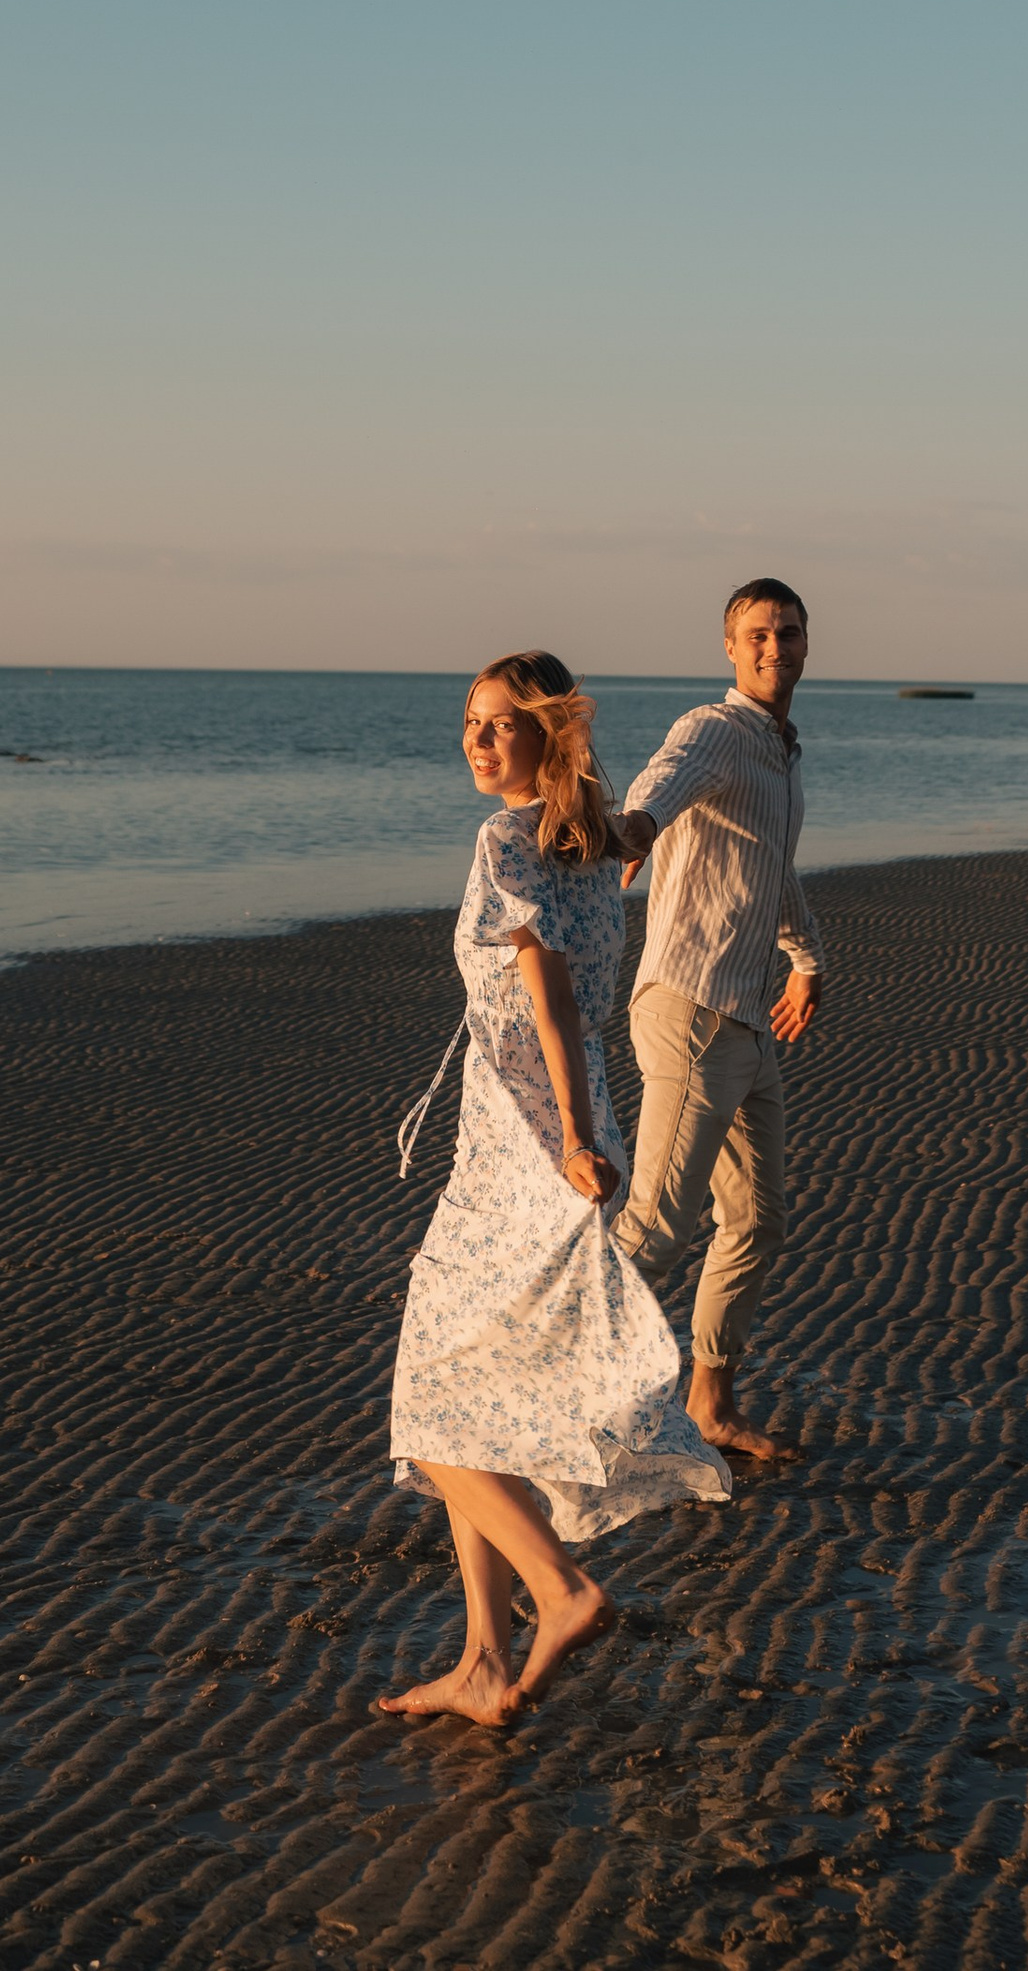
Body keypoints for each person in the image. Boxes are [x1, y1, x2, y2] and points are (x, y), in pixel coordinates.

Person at [382, 653, 728, 1727]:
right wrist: (585, 1133)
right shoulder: (596, 846)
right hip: (552, 1142)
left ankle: (559, 1588)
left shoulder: (507, 840)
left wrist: (571, 1134)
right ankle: (485, 1660)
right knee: (476, 1400)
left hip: (525, 1155)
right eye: (470, 723)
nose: (478, 742)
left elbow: (552, 995)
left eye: (501, 724)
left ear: (549, 734)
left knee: (429, 1402)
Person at [611, 577, 823, 1465]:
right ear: (730, 646)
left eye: (789, 633)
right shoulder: (717, 729)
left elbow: (770, 869)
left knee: (758, 1220)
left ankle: (710, 1402)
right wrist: (634, 829)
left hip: (745, 1022)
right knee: (655, 1230)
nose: (775, 647)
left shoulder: (781, 752)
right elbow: (661, 782)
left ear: (807, 644)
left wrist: (806, 961)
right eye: (758, 634)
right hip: (691, 1009)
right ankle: (543, 1392)